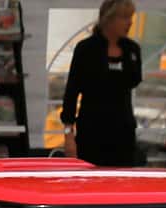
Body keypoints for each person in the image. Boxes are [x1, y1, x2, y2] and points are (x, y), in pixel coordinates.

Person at [60, 0, 143, 167]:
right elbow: (71, 92)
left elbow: (134, 80)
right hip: (92, 131)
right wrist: (69, 135)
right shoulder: (86, 49)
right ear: (109, 19)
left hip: (123, 132)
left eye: (131, 17)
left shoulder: (132, 50)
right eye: (125, 17)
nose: (130, 22)